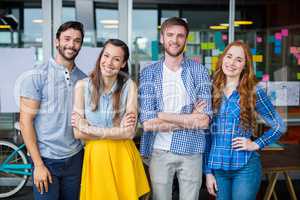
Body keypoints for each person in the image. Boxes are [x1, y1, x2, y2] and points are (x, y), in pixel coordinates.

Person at [138, 17, 212, 200]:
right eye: (170, 35)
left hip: (192, 150)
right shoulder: (149, 73)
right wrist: (189, 118)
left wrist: (162, 115)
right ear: (162, 38)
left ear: (186, 40)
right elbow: (148, 124)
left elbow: (203, 121)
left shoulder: (199, 71)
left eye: (180, 36)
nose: (175, 40)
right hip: (159, 150)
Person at [204, 40, 286, 200]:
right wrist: (208, 172)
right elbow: (207, 136)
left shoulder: (254, 92)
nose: (232, 63)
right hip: (218, 168)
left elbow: (279, 126)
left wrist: (255, 144)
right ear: (222, 59)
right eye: (229, 56)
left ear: (245, 66)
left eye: (239, 59)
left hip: (245, 167)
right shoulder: (210, 90)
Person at [71, 38, 150, 200]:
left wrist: (88, 128)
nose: (109, 62)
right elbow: (77, 133)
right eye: (106, 56)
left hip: (122, 157)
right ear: (100, 57)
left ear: (123, 63)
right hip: (96, 158)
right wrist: (116, 131)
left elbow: (128, 133)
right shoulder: (82, 86)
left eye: (116, 59)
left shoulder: (130, 87)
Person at [19, 21, 86, 200]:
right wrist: (38, 165)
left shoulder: (84, 79)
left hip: (75, 159)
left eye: (77, 40)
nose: (71, 44)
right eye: (67, 39)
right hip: (46, 160)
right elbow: (26, 122)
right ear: (57, 42)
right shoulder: (37, 75)